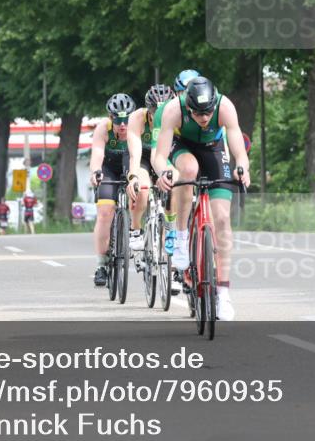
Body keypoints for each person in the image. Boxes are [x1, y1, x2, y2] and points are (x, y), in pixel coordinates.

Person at [153, 76, 250, 320]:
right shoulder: (174, 110)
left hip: (214, 150)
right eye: (198, 114)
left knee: (222, 218)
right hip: (182, 147)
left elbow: (237, 142)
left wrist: (242, 166)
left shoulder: (224, 106)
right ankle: (183, 236)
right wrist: (163, 171)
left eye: (207, 113)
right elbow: (159, 154)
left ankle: (224, 294)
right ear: (188, 107)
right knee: (188, 171)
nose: (204, 118)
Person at [89, 93, 144, 287]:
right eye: (118, 120)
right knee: (104, 213)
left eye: (126, 120)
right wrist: (96, 171)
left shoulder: (136, 129)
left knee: (139, 196)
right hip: (109, 170)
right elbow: (97, 153)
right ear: (111, 118)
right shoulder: (103, 129)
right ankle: (101, 264)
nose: (122, 125)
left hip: (129, 166)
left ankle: (136, 235)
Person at [126, 83, 176, 275]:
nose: (160, 114)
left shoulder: (174, 117)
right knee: (143, 188)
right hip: (145, 158)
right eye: (156, 111)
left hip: (165, 157)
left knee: (174, 191)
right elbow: (134, 154)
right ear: (149, 109)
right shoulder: (137, 118)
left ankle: (170, 254)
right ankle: (136, 229)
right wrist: (133, 177)